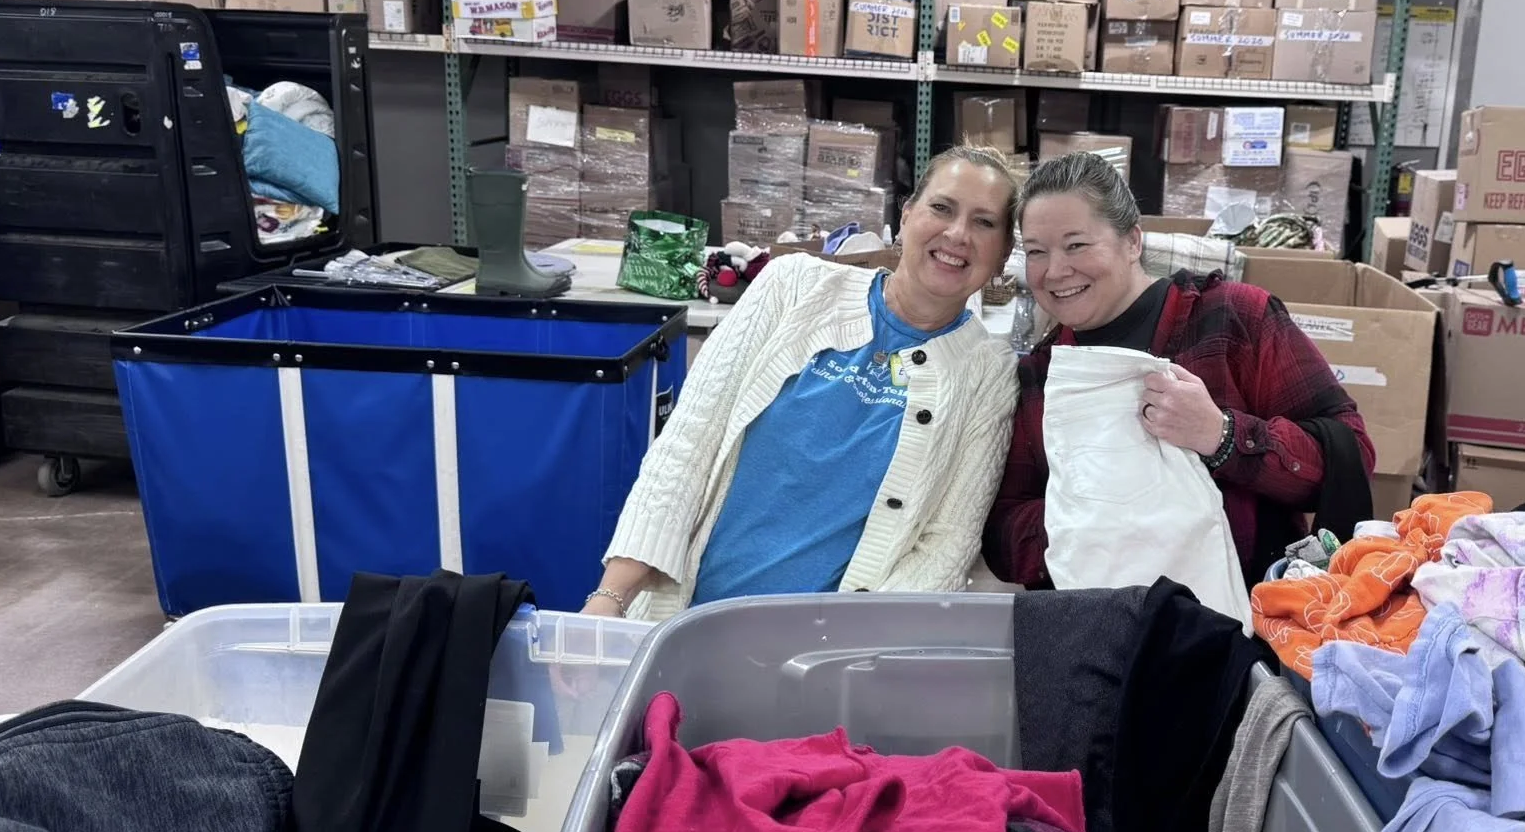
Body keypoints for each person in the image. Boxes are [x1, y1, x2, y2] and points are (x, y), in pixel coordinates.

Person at [584, 146, 1020, 621]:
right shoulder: (793, 285)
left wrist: (846, 656)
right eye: (942, 208)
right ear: (908, 214)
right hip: (686, 619)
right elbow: (690, 441)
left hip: (828, 661)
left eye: (984, 223)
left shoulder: (988, 372)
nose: (957, 234)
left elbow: (945, 545)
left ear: (1002, 255)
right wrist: (610, 598)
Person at [984, 152, 1374, 591]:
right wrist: (1090, 525)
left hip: (1244, 631)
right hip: (1097, 636)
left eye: (1076, 245)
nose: (1055, 271)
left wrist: (1222, 437)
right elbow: (1002, 531)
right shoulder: (1043, 372)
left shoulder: (1233, 319)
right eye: (1037, 252)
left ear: (1132, 242)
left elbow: (1351, 456)